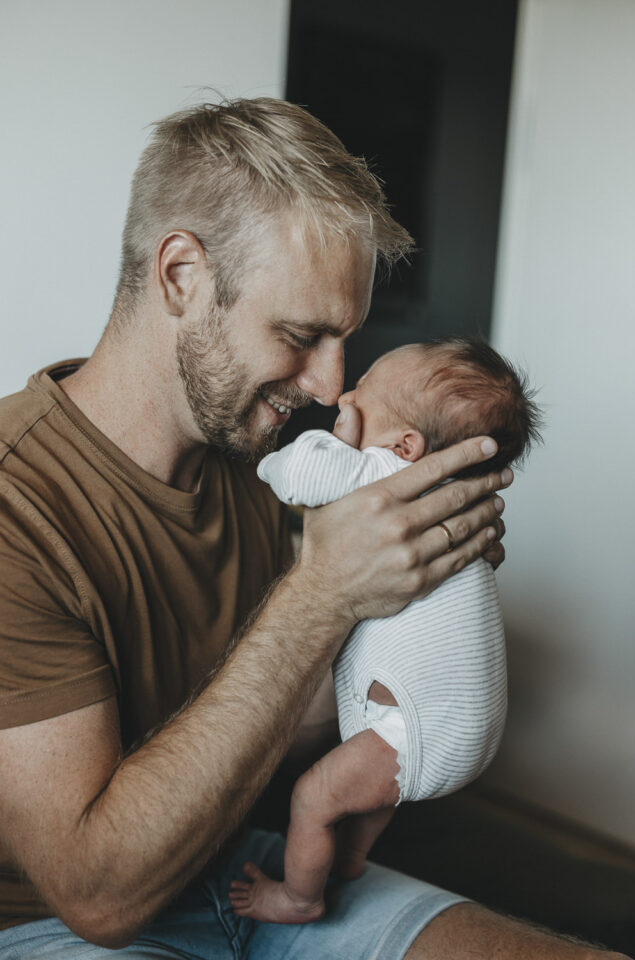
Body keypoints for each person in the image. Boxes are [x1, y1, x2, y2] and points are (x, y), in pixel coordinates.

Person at [0, 98, 626, 960]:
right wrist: (326, 590)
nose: (333, 387)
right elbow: (100, 897)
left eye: (347, 340)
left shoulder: (261, 468)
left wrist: (415, 605)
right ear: (181, 274)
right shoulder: (15, 506)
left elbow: (273, 731)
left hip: (240, 874)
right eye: (302, 334)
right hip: (57, 925)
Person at [229, 338, 541, 924]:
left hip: (413, 728)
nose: (344, 393)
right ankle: (345, 863)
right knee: (372, 792)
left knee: (313, 798)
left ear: (407, 446)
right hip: (463, 727)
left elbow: (292, 473)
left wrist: (336, 438)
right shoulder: (451, 501)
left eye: (363, 389)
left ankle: (299, 897)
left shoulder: (387, 474)